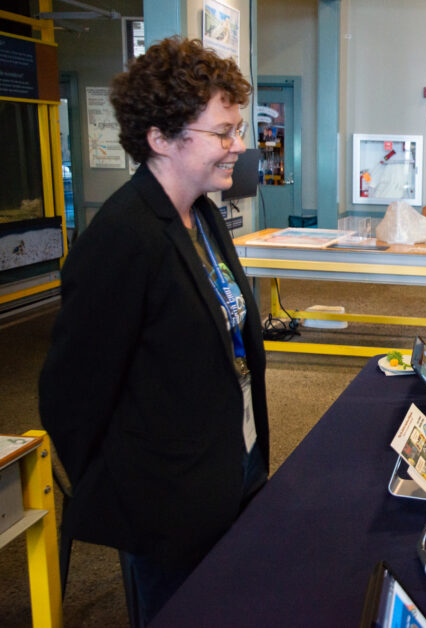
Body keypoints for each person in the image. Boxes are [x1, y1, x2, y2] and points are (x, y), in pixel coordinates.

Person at [39, 36, 269, 627]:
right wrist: (131, 495)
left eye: (237, 128)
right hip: (166, 503)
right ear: (161, 139)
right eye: (224, 132)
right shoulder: (123, 237)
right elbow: (71, 396)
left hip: (230, 463)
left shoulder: (204, 214)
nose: (239, 146)